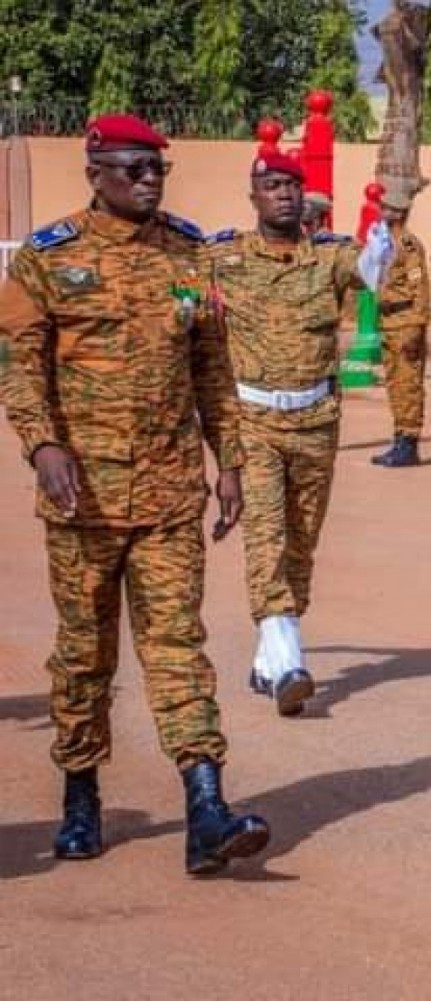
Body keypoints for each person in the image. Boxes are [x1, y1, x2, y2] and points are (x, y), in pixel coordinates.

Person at [0, 114, 269, 873]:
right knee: (85, 655)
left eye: (157, 170)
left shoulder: (188, 255)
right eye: (132, 169)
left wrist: (231, 460)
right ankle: (80, 791)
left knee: (178, 645)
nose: (148, 181)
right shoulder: (49, 260)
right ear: (95, 172)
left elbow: (213, 366)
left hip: (168, 494)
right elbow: (19, 365)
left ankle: (206, 805)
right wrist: (43, 443)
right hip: (81, 496)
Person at [204, 152, 368, 717]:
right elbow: (181, 303)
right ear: (253, 196)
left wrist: (390, 219)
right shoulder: (221, 257)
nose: (284, 194)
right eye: (272, 186)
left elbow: (376, 271)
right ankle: (290, 663)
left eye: (293, 185)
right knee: (267, 537)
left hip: (317, 420)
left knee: (301, 542)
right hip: (255, 422)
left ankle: (266, 658)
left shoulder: (330, 257)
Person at [370, 188, 431, 468]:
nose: (382, 212)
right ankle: (399, 439)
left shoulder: (409, 246)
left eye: (387, 209)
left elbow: (420, 289)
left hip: (406, 322)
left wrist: (416, 327)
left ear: (400, 213)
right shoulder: (385, 243)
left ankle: (409, 443)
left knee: (408, 385)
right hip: (389, 321)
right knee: (395, 384)